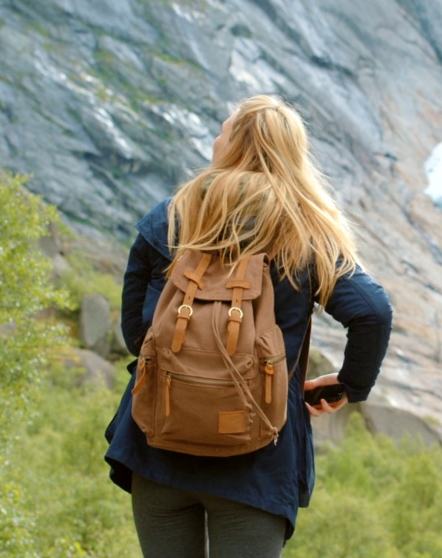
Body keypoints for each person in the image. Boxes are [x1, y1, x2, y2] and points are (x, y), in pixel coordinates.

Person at [105, 95, 393, 557]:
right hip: (256, 459)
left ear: (234, 143)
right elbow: (372, 312)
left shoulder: (173, 214)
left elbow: (137, 333)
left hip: (157, 444)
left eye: (222, 129)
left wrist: (187, 370)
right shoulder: (304, 229)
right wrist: (348, 386)